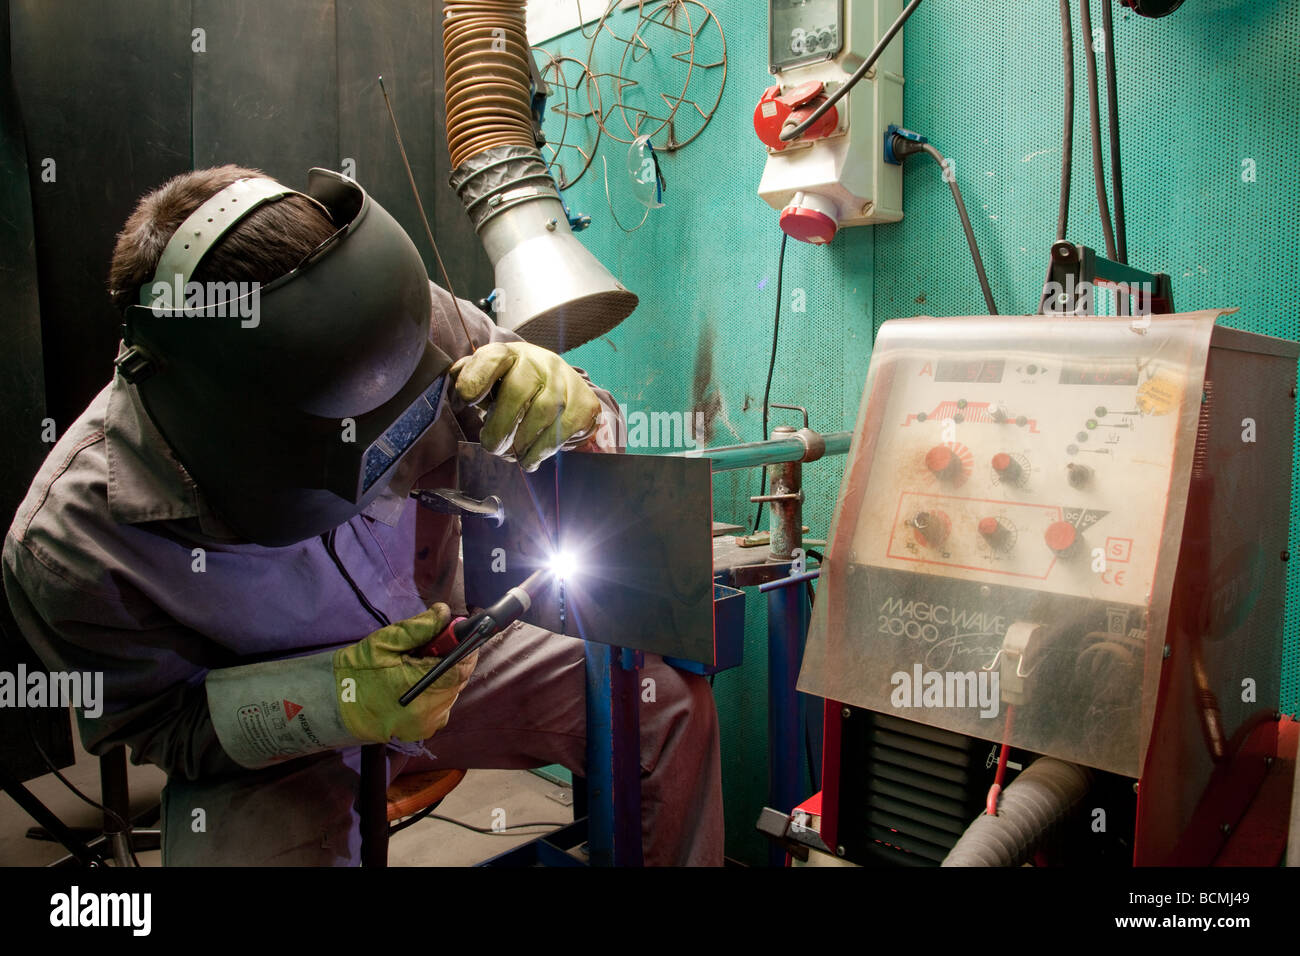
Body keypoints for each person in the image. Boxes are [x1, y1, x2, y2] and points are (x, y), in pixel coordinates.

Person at [2, 164, 723, 865]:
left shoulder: (406, 321)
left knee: (662, 706)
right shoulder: (72, 543)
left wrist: (579, 406)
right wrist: (331, 699)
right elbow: (162, 725)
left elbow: (585, 436)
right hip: (281, 738)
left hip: (455, 655)